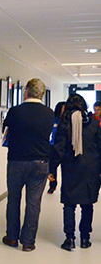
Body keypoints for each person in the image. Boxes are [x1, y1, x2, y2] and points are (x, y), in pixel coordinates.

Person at [2, 78, 54, 251]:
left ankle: (11, 237)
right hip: (40, 163)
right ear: (42, 94)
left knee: (14, 199)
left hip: (17, 161)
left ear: (26, 91)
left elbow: (5, 129)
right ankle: (28, 242)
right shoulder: (49, 113)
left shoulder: (15, 111)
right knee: (34, 203)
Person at [48, 95, 101, 250]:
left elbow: (58, 149)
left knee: (69, 204)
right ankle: (85, 239)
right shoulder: (93, 123)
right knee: (87, 204)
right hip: (91, 168)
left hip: (71, 168)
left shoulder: (65, 124)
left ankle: (69, 239)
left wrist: (52, 169)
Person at [47, 101, 65, 194]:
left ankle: (65, 187)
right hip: (53, 145)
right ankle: (52, 185)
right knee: (52, 168)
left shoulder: (66, 120)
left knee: (65, 167)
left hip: (63, 147)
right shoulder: (53, 119)